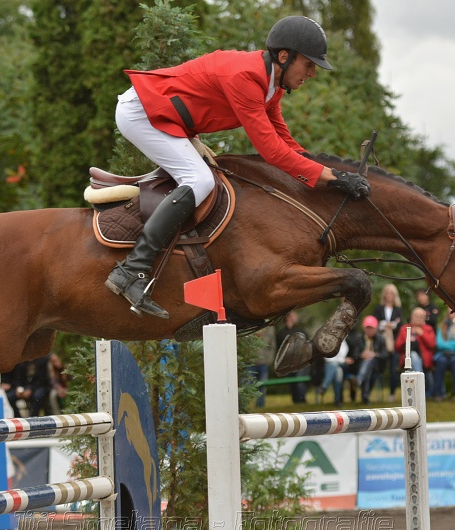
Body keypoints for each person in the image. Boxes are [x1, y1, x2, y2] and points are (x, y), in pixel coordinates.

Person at [106, 16, 371, 318]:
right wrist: (329, 177)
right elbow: (270, 150)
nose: (312, 72)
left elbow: (285, 140)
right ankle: (132, 271)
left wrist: (332, 174)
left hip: (167, 118)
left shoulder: (273, 85)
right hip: (143, 113)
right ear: (284, 57)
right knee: (200, 180)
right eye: (308, 64)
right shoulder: (246, 77)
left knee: (204, 178)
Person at [372, 283, 403, 400]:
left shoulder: (398, 309)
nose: (389, 295)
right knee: (377, 366)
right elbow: (375, 323)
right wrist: (385, 324)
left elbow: (401, 325)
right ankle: (372, 392)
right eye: (387, 293)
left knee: (394, 368)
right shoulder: (378, 308)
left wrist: (393, 325)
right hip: (381, 343)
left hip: (394, 343)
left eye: (391, 293)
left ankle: (392, 393)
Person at [355, 315, 388, 405]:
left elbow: (385, 354)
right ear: (364, 328)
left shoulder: (381, 339)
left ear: (376, 328)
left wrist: (374, 354)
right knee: (368, 372)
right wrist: (362, 355)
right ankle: (365, 398)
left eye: (371, 328)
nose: (369, 330)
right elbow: (355, 355)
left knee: (370, 361)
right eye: (367, 328)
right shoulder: (359, 339)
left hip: (377, 366)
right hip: (363, 366)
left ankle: (359, 380)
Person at [276, 311, 307, 404]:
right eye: (294, 315)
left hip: (300, 361)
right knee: (292, 382)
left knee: (299, 381)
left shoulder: (301, 331)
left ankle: (301, 400)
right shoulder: (281, 333)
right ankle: (296, 400)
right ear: (288, 317)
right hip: (288, 362)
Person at [395, 307, 436, 375]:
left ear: (424, 318)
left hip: (425, 359)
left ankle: (418, 378)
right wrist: (407, 340)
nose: (419, 318)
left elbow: (432, 344)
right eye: (416, 316)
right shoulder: (405, 328)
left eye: (421, 316)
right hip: (407, 358)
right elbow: (397, 346)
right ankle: (419, 377)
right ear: (412, 317)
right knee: (413, 355)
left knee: (414, 356)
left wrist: (422, 334)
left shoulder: (428, 328)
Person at [247, 327, 277, 408]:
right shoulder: (251, 325)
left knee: (263, 386)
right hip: (251, 363)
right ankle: (245, 406)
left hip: (264, 363)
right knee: (247, 386)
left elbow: (272, 345)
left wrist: (269, 360)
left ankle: (260, 405)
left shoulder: (270, 328)